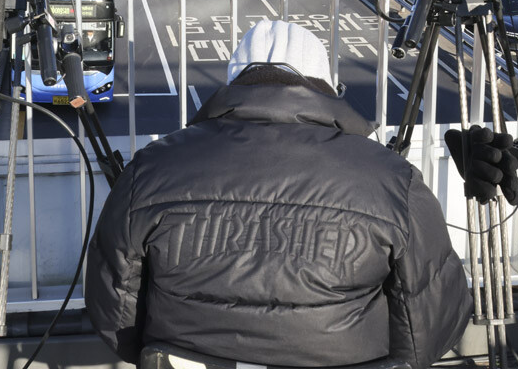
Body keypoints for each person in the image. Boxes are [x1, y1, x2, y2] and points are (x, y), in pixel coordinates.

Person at [86, 20, 473, 369]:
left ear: (232, 84)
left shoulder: (152, 168)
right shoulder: (392, 179)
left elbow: (114, 312)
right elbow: (432, 321)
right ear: (326, 87)